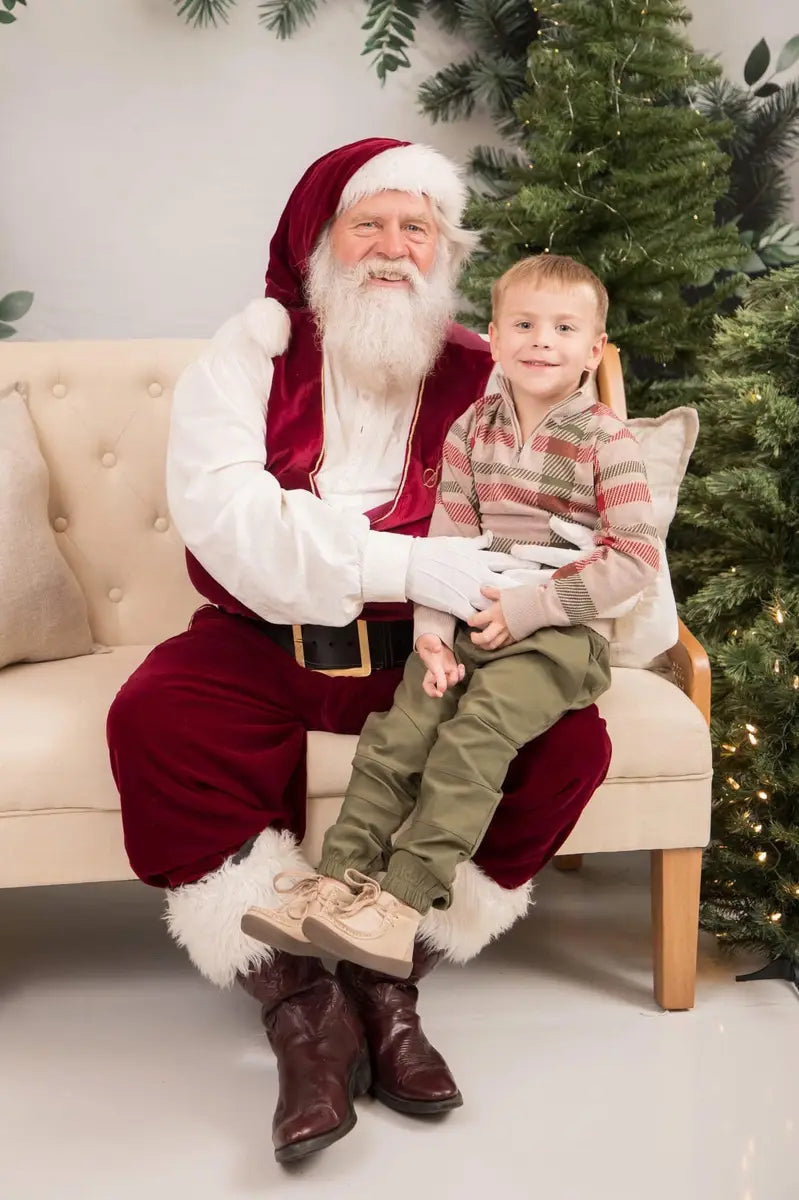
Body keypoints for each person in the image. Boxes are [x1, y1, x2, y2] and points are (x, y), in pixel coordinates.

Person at [106, 139, 613, 1166]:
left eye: (415, 228)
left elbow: (568, 500)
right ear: (319, 244)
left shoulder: (485, 369)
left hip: (429, 649)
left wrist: (502, 590)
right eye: (367, 225)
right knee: (155, 716)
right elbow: (229, 519)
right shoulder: (249, 353)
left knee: (570, 743)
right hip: (266, 633)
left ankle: (388, 976)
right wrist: (411, 563)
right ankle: (303, 1009)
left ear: (444, 250)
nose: (392, 251)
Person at [242, 254, 659, 980]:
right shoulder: (472, 430)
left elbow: (632, 557)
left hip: (557, 638)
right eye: (524, 325)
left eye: (563, 328)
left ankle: (399, 903)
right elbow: (446, 543)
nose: (541, 341)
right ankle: (335, 884)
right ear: (494, 338)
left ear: (592, 349)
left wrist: (531, 608)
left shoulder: (605, 439)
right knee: (399, 733)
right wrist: (432, 637)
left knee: (473, 737)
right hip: (467, 621)